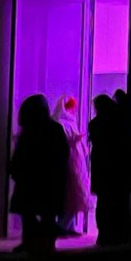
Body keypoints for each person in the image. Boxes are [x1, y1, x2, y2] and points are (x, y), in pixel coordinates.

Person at [8, 95, 69, 254]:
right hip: (49, 181)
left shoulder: (28, 131)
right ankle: (47, 245)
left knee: (28, 214)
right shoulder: (55, 129)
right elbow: (63, 154)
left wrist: (16, 172)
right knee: (48, 215)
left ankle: (29, 242)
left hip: (29, 181)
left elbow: (19, 157)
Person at [87, 93, 131, 248]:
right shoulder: (120, 122)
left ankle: (104, 235)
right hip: (118, 169)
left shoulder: (94, 124)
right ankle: (118, 234)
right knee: (118, 201)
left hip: (102, 168)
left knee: (103, 202)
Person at [53, 95, 91, 237]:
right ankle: (62, 227)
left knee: (75, 195)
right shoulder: (61, 123)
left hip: (76, 162)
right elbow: (63, 143)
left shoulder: (70, 121)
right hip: (70, 162)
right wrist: (74, 140)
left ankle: (68, 226)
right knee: (72, 193)